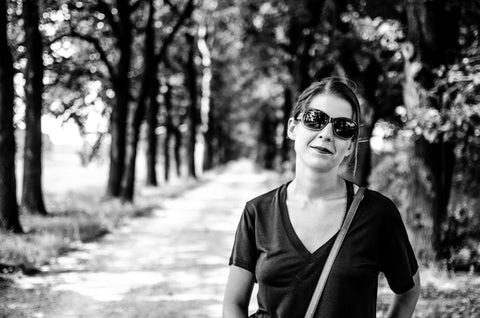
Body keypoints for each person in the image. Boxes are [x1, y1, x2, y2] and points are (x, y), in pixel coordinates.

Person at [223, 78, 420, 318]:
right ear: (293, 128)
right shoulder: (258, 212)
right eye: (315, 120)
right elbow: (233, 303)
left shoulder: (377, 213)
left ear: (349, 146)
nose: (326, 134)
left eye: (343, 127)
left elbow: (408, 292)